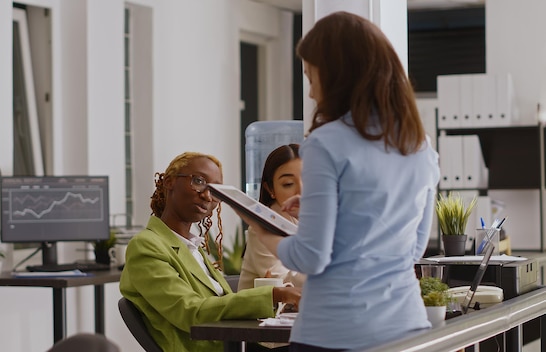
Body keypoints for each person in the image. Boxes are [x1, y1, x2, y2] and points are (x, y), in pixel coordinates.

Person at [235, 12, 440, 351]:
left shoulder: (326, 141)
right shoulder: (419, 144)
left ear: (337, 77)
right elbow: (413, 248)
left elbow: (311, 257)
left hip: (336, 332)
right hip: (406, 327)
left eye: (312, 77)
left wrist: (261, 228)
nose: (313, 92)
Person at [119, 152, 301, 352]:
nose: (207, 195)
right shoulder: (146, 246)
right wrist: (275, 294)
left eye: (215, 190)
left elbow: (219, 306)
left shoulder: (192, 247)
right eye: (199, 181)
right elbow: (191, 312)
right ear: (169, 182)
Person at [238, 144, 306, 291]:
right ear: (270, 190)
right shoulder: (263, 226)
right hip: (262, 313)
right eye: (288, 184)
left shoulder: (323, 221)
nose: (301, 191)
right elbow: (283, 285)